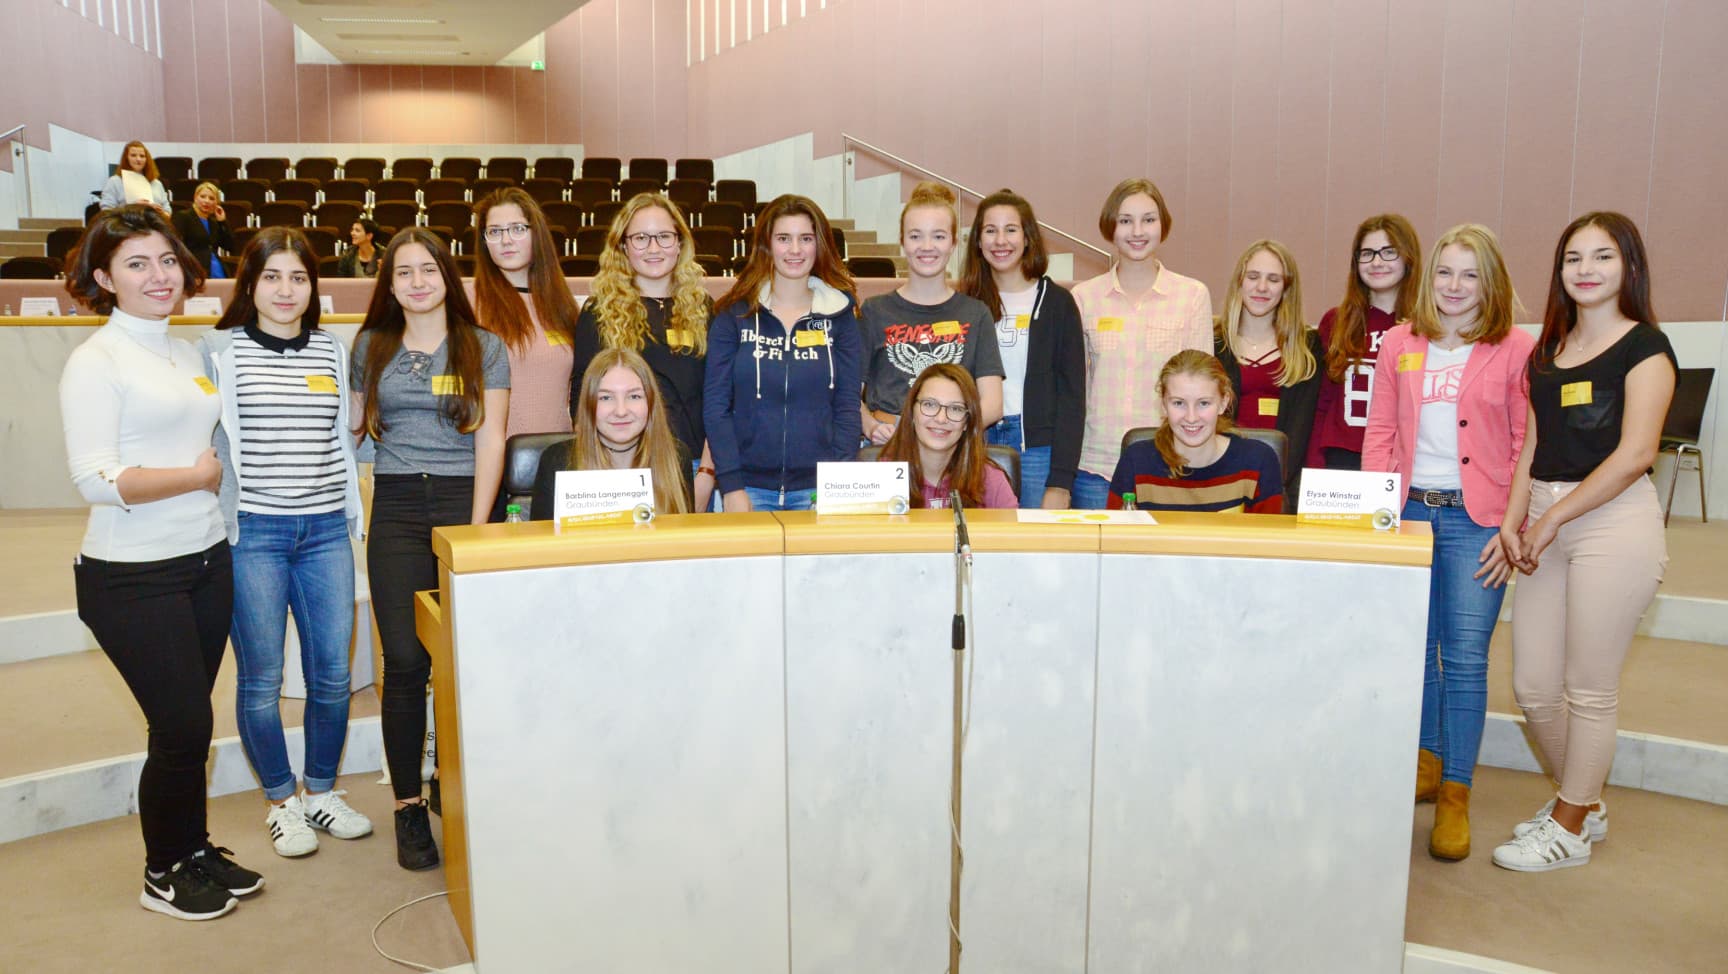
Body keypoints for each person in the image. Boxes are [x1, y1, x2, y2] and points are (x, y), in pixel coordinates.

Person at [59, 204, 262, 920]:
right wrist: (193, 477)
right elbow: (95, 480)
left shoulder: (185, 350)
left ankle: (193, 847)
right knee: (180, 725)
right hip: (131, 573)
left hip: (203, 560)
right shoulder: (97, 361)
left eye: (167, 261)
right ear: (104, 278)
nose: (158, 275)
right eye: (136, 264)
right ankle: (161, 872)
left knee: (188, 724)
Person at [1491, 212, 1676, 873]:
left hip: (1611, 520)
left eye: (1602, 256)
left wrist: (1550, 519)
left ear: (1629, 265)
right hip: (1545, 514)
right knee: (1535, 688)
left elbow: (1635, 455)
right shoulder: (1550, 349)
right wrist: (1514, 518)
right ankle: (1586, 800)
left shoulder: (1646, 347)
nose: (1586, 269)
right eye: (1574, 257)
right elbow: (1533, 444)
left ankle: (1570, 824)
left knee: (1589, 688)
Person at [196, 227, 372, 860]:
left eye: (298, 277)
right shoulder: (219, 351)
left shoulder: (333, 349)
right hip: (255, 534)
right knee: (262, 679)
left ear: (312, 287)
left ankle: (321, 790)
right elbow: (204, 442)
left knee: (331, 675)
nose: (286, 289)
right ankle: (280, 800)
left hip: (325, 529)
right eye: (272, 276)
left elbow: (348, 439)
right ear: (250, 284)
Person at [1362, 224, 1535, 861]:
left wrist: (1509, 525)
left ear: (1490, 283)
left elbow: (1525, 447)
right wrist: (1377, 512)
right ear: (1427, 278)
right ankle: (1428, 765)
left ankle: (1457, 791)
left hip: (1477, 519)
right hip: (1408, 510)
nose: (1455, 287)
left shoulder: (1516, 349)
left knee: (1463, 656)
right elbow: (1380, 431)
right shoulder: (1400, 344)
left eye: (1470, 274)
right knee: (1417, 648)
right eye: (1444, 273)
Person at [351, 228, 510, 871]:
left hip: (462, 504)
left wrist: (470, 533)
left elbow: (492, 440)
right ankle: (408, 806)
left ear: (448, 276)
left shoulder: (484, 347)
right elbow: (357, 436)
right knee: (407, 663)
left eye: (428, 270)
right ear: (388, 285)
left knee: (460, 656)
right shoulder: (370, 346)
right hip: (394, 506)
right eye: (403, 273)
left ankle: (455, 780)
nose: (417, 282)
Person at [704, 195, 862, 512]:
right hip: (746, 490)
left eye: (805, 238)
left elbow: (847, 408)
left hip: (817, 491)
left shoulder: (841, 315)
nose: (795, 250)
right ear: (767, 245)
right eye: (783, 238)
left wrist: (837, 485)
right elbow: (716, 407)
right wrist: (732, 486)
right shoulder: (734, 315)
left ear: (819, 245)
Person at [1072, 178, 1212, 509]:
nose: (1137, 231)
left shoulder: (1191, 296)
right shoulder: (1083, 298)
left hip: (1168, 464)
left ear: (1163, 226)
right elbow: (1077, 388)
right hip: (1095, 467)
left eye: (1148, 220)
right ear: (1111, 227)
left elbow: (1203, 388)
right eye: (1125, 221)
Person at [573, 193, 715, 511]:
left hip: (692, 467)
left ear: (680, 243)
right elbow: (582, 400)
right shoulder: (599, 311)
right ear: (623, 246)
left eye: (664, 237)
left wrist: (706, 474)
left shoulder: (703, 308)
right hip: (621, 471)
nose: (654, 248)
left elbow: (719, 398)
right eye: (641, 238)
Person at [956, 188, 1086, 509]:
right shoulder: (964, 304)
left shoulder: (1058, 304)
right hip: (973, 444)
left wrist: (1060, 481)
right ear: (977, 241)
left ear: (1027, 238)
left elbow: (1072, 398)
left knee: (1036, 553)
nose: (1001, 241)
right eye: (990, 230)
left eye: (1011, 230)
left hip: (1038, 454)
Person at [859, 182, 1004, 447]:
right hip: (888, 447)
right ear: (902, 241)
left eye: (938, 236)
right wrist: (870, 426)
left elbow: (992, 404)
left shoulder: (976, 313)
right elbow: (847, 394)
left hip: (952, 450)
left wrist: (944, 434)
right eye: (915, 236)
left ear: (952, 243)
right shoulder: (874, 310)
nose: (927, 246)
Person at [472, 187, 580, 464]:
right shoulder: (470, 304)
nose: (506, 240)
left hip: (559, 456)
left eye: (518, 228)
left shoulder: (562, 304)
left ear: (537, 234)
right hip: (492, 463)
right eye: (494, 232)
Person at [1212, 240, 1322, 509]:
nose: (1261, 287)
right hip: (1223, 481)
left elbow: (1305, 426)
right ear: (1240, 281)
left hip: (1284, 485)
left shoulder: (1308, 347)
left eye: (1273, 279)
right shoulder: (1213, 343)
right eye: (1253, 277)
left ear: (1286, 287)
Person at [1106, 349, 1282, 514]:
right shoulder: (1136, 462)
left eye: (1203, 403)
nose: (1191, 417)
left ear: (1223, 402)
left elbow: (1271, 541)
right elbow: (1113, 539)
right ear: (1163, 405)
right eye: (1178, 403)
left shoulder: (1258, 462)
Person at [1309, 214, 1422, 470]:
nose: (1377, 262)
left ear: (1408, 258)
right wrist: (1314, 468)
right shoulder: (1336, 321)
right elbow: (1323, 403)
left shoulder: (1426, 326)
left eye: (1388, 252)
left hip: (1402, 458)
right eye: (1367, 253)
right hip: (1343, 456)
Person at [531, 348, 692, 518]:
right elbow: (541, 544)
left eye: (634, 396)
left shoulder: (677, 457)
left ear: (651, 403)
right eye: (606, 398)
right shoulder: (557, 462)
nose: (621, 411)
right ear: (589, 405)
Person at [877, 363, 1017, 509]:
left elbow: (1013, 532)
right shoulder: (882, 477)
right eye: (930, 405)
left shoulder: (991, 480)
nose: (941, 419)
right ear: (912, 412)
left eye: (955, 408)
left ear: (967, 422)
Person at [171, 182, 235, 280]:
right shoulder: (183, 216)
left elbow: (229, 246)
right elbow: (176, 245)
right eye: (203, 196)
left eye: (211, 198)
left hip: (217, 269)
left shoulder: (213, 222)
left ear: (216, 203)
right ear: (195, 198)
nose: (206, 201)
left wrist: (222, 222)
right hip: (195, 270)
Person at [98, 140, 170, 213]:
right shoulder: (114, 182)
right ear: (126, 158)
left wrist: (161, 213)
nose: (138, 159)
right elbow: (106, 211)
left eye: (142, 156)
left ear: (147, 159)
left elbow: (167, 210)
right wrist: (132, 207)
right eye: (133, 155)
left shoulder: (156, 183)